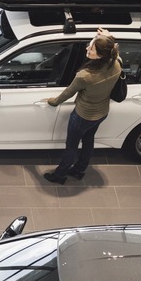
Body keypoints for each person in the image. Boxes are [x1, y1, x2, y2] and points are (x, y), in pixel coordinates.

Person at [44, 28, 121, 185]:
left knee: (71, 146)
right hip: (101, 112)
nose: (87, 48)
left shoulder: (85, 76)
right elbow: (114, 50)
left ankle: (60, 175)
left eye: (91, 48)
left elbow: (68, 93)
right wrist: (107, 37)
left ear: (100, 55)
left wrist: (53, 101)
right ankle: (79, 170)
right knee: (88, 139)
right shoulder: (116, 63)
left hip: (83, 115)